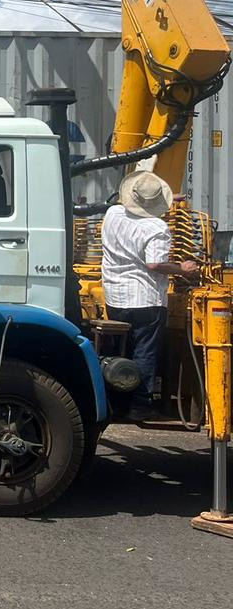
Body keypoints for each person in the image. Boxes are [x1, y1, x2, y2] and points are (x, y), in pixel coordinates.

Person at [99, 170, 200, 421]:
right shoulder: (157, 227)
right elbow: (154, 264)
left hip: (114, 294)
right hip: (145, 298)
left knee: (121, 350)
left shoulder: (112, 214)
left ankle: (117, 401)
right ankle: (140, 404)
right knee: (144, 351)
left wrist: (161, 200)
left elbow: (125, 208)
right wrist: (183, 270)